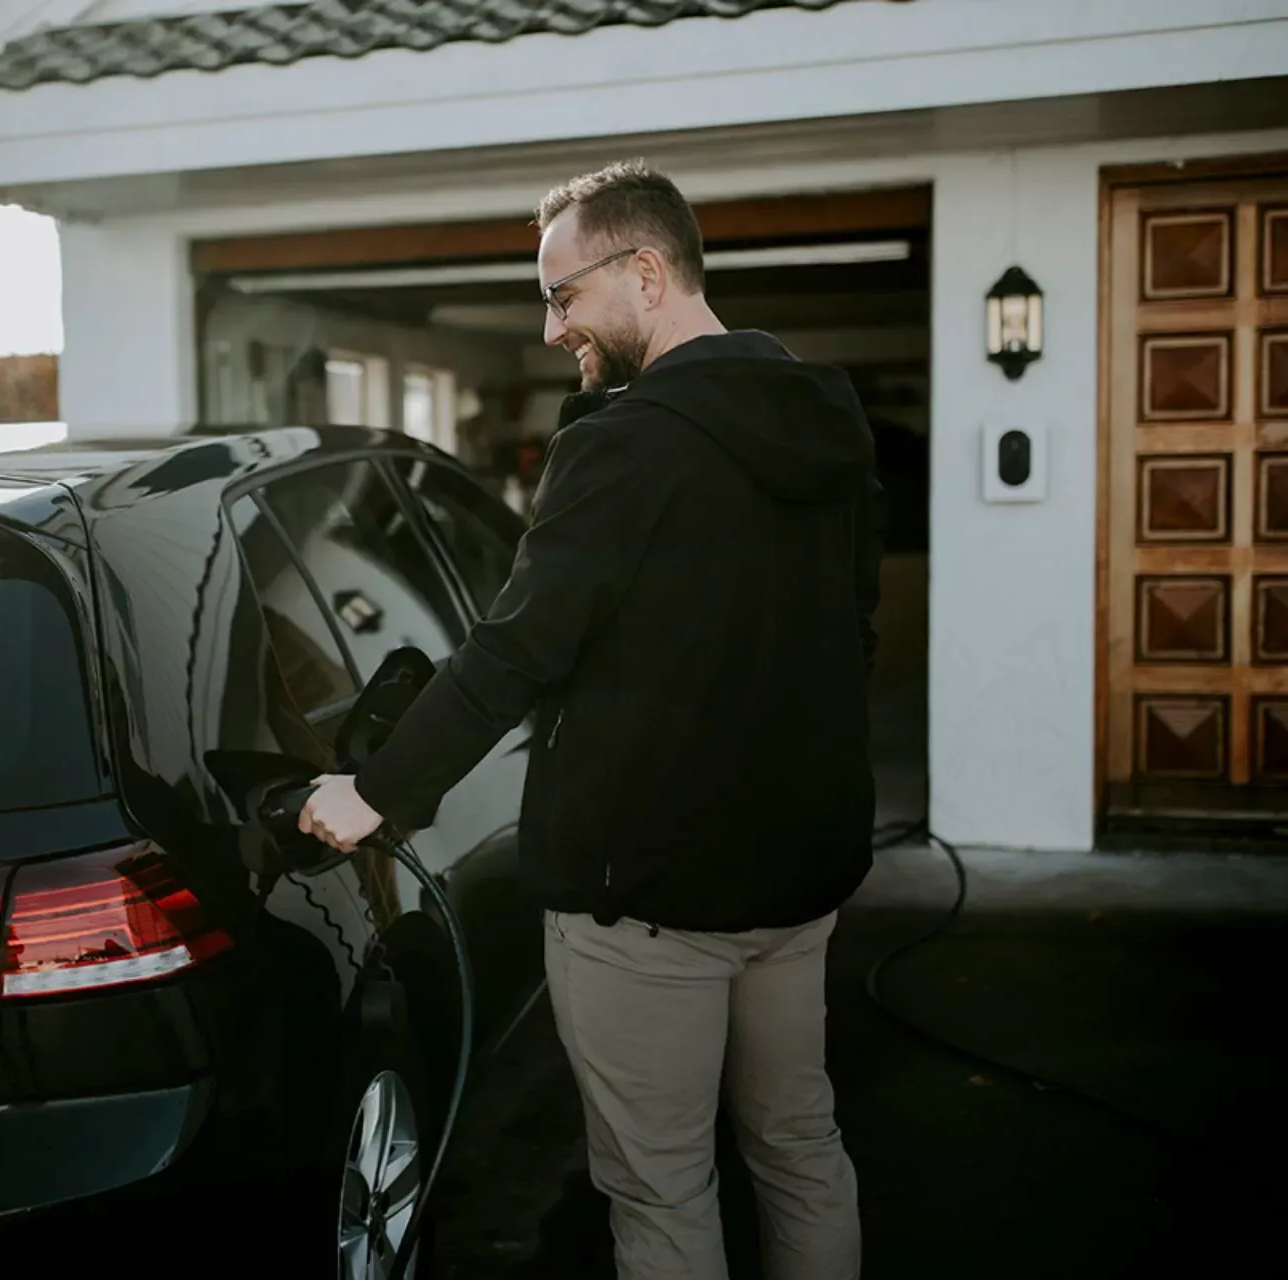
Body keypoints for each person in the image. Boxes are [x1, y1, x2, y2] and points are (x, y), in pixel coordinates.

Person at [299, 159, 884, 1280]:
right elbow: (848, 636)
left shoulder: (621, 444)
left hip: (646, 894)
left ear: (648, 272)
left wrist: (374, 793)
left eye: (564, 294)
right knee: (801, 1146)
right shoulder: (827, 417)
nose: (553, 324)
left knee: (662, 1189)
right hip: (798, 881)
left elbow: (513, 650)